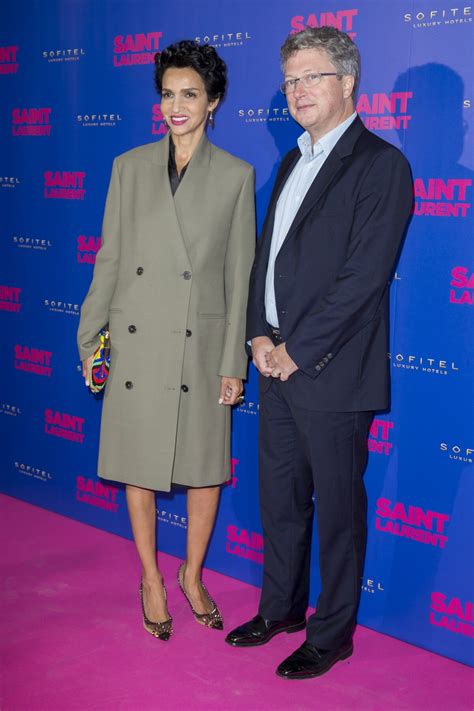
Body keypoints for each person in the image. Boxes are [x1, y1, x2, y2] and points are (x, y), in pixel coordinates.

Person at [225, 27, 413, 679]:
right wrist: (257, 335)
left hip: (331, 374)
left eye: (312, 77)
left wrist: (296, 351)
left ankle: (332, 633)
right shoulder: (290, 161)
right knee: (279, 501)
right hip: (273, 365)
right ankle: (281, 608)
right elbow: (263, 263)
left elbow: (364, 277)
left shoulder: (381, 164)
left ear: (348, 83)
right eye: (291, 80)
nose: (299, 90)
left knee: (337, 512)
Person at [78, 40, 255, 641]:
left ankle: (193, 574)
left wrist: (234, 362)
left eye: (190, 95)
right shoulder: (128, 167)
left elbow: (239, 278)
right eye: (168, 94)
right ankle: (151, 578)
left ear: (213, 103)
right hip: (135, 342)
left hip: (200, 350)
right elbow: (110, 257)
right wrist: (90, 339)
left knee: (205, 471)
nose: (176, 106)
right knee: (138, 467)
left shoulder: (236, 177)